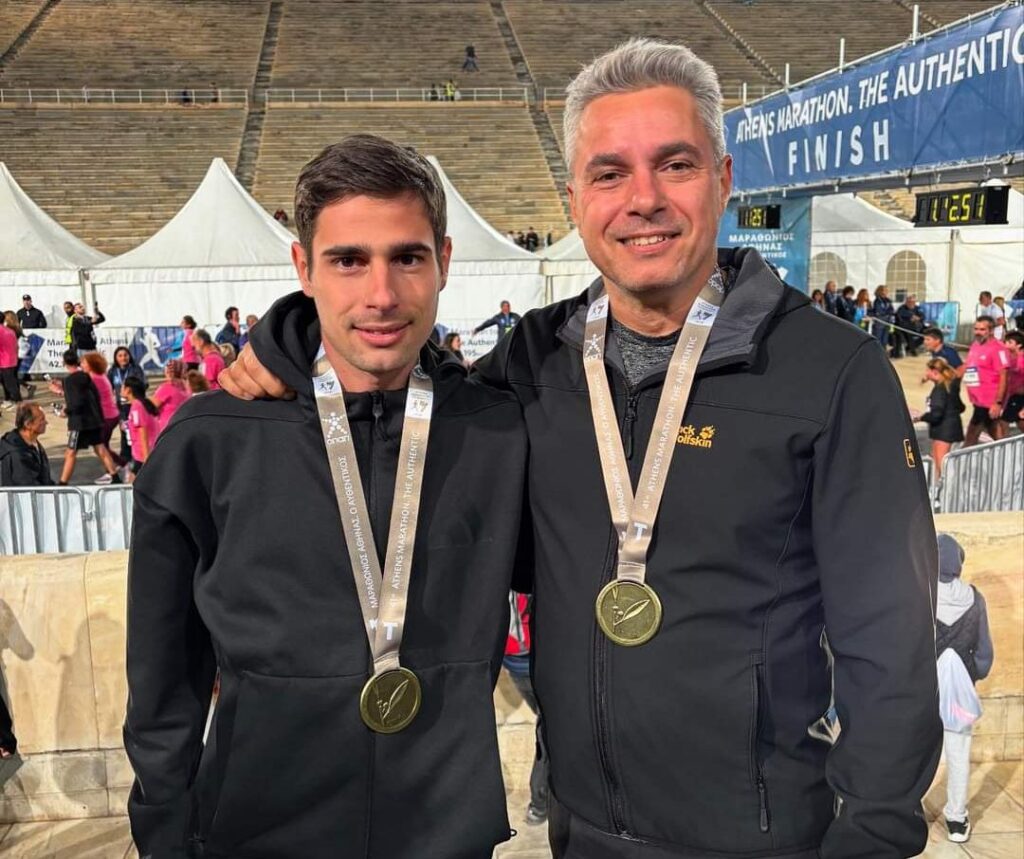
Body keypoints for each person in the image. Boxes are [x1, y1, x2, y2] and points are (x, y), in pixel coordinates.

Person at [222, 39, 942, 858]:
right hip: (582, 830)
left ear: (723, 179)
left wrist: (873, 832)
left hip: (763, 836)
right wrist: (290, 339)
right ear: (574, 199)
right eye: (609, 174)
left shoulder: (831, 372)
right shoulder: (535, 358)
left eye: (675, 164)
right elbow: (404, 376)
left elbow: (889, 635)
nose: (644, 199)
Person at [124, 134, 527, 858]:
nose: (381, 295)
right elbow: (163, 679)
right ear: (303, 268)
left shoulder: (498, 430)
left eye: (408, 257)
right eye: (348, 260)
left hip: (447, 834)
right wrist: (163, 832)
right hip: (258, 834)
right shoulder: (211, 440)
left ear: (444, 261)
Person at [934, 533, 993, 844]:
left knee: (918, 751)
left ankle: (908, 808)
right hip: (959, 691)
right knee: (958, 752)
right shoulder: (975, 599)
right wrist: (970, 676)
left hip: (925, 692)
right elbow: (985, 654)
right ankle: (956, 820)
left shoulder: (922, 596)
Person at [503, 591, 549, 826]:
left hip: (513, 664)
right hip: (536, 658)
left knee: (546, 724)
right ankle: (539, 805)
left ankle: (539, 806)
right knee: (548, 730)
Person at [48, 350, 120, 485]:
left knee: (70, 452)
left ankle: (63, 483)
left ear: (64, 363)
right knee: (100, 449)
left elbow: (76, 401)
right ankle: (115, 477)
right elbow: (93, 396)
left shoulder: (70, 380)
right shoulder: (87, 377)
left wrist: (66, 412)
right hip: (94, 419)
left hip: (79, 423)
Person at [911, 358, 964, 478]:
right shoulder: (950, 386)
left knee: (942, 466)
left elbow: (936, 414)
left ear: (935, 371)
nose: (926, 373)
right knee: (940, 464)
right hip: (950, 430)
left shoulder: (939, 390)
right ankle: (940, 487)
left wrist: (920, 418)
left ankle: (945, 488)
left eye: (928, 370)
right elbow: (960, 407)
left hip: (944, 433)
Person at [962, 316, 1010, 447]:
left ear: (991, 330)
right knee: (994, 430)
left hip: (989, 401)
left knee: (972, 434)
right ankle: (1008, 453)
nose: (978, 332)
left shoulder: (998, 349)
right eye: (976, 329)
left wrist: (998, 402)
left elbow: (1004, 376)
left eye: (982, 329)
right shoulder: (975, 345)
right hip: (977, 399)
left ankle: (963, 457)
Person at [80, 352, 121, 478]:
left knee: (100, 447)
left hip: (106, 416)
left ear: (91, 364)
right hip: (111, 415)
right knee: (102, 445)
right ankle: (116, 466)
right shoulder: (100, 376)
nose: (81, 365)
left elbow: (83, 396)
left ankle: (114, 470)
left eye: (84, 363)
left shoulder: (94, 379)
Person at [0, 403, 53, 486]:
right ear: (28, 424)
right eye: (41, 420)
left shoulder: (32, 444)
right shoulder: (17, 454)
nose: (46, 422)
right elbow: (28, 486)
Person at [108, 346, 145, 463]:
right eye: (120, 356)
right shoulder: (113, 371)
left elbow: (143, 385)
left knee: (136, 430)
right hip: (121, 407)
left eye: (125, 355)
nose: (123, 358)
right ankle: (125, 457)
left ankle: (138, 456)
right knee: (125, 430)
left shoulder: (136, 369)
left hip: (134, 404)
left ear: (129, 356)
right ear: (116, 358)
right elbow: (108, 388)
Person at [121, 376, 159, 481]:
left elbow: (143, 431)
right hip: (146, 452)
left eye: (123, 387)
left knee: (133, 482)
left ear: (128, 389)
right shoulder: (144, 403)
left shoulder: (136, 406)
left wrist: (146, 457)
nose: (120, 389)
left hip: (142, 454)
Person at [152, 360, 190, 432]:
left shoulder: (167, 387)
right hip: (182, 426)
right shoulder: (187, 387)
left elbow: (151, 407)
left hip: (167, 429)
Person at [1001, 330, 1024, 431]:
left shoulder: (1021, 359)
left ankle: (1002, 439)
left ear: (1019, 345)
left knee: (1003, 421)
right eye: (1005, 342)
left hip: (1018, 396)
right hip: (1012, 395)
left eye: (1010, 342)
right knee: (1020, 421)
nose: (1006, 344)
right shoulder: (1011, 357)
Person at [0, 313, 21, 410]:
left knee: (9, 384)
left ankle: (17, 402)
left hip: (5, 361)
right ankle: (9, 400)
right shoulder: (10, 330)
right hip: (11, 359)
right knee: (7, 382)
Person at [872, 284, 895, 353]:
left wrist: (889, 315)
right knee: (878, 338)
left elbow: (891, 310)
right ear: (880, 291)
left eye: (887, 291)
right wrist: (887, 314)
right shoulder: (877, 301)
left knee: (885, 340)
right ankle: (876, 353)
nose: (886, 292)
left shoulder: (888, 301)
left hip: (887, 322)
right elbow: (879, 311)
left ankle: (883, 353)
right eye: (885, 290)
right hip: (879, 322)